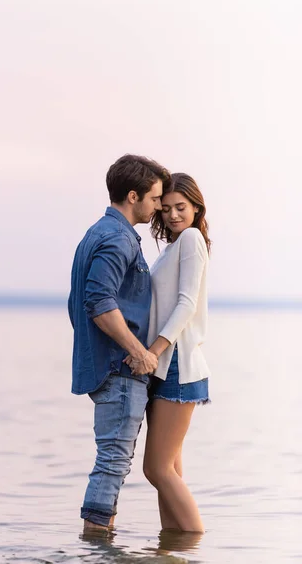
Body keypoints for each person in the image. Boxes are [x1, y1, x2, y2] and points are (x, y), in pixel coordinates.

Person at [68, 154, 170, 532]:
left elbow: (77, 303)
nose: (159, 206)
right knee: (112, 462)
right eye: (156, 198)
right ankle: (97, 547)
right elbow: (98, 304)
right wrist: (138, 351)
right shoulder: (117, 239)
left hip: (106, 366)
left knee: (113, 460)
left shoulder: (97, 233)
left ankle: (99, 544)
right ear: (133, 195)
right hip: (120, 370)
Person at [124, 173, 211, 533]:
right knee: (170, 470)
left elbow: (186, 304)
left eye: (182, 207)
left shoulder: (191, 239)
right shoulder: (173, 246)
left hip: (177, 365)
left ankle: (194, 542)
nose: (174, 214)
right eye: (168, 208)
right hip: (165, 367)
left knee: (156, 469)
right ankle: (172, 549)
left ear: (195, 208)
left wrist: (153, 350)